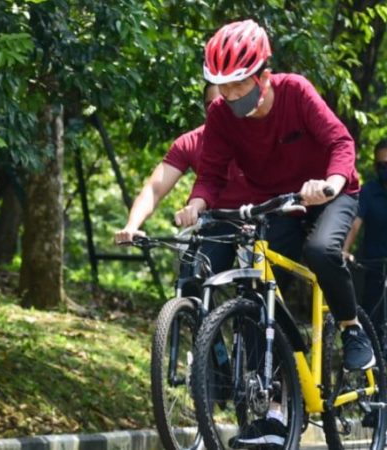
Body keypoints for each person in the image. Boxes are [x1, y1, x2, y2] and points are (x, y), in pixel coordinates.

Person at [174, 19, 373, 447]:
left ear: (263, 77)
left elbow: (341, 143)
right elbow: (209, 173)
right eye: (220, 87)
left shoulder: (296, 92)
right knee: (259, 299)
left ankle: (352, 326)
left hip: (331, 191)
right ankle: (275, 415)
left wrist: (332, 183)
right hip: (278, 202)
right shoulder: (221, 115)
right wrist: (197, 202)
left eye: (237, 86)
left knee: (321, 251)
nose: (227, 97)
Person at [115, 84, 250, 287]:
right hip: (218, 221)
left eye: (228, 103)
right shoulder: (190, 142)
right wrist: (132, 226)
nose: (220, 110)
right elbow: (154, 189)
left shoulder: (257, 133)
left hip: (260, 217)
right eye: (212, 105)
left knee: (260, 291)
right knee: (191, 280)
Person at [343, 140, 387, 340]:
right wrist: (344, 250)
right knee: (372, 324)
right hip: (374, 269)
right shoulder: (369, 191)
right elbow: (355, 224)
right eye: (381, 166)